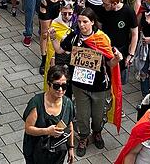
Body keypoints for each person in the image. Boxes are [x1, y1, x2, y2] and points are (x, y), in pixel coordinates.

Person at [49, 8, 122, 157]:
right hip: (79, 86)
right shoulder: (74, 36)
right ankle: (83, 137)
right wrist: (53, 38)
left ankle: (97, 132)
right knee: (82, 115)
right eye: (79, 21)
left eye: (85, 22)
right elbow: (60, 50)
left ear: (92, 22)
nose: (81, 25)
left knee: (98, 115)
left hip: (99, 86)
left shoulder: (102, 39)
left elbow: (110, 64)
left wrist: (117, 59)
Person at [22, 66, 76, 164]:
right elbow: (28, 129)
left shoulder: (68, 104)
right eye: (56, 86)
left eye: (64, 86)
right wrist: (47, 131)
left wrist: (71, 148)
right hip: (36, 153)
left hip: (57, 154)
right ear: (48, 84)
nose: (60, 89)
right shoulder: (36, 103)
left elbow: (69, 125)